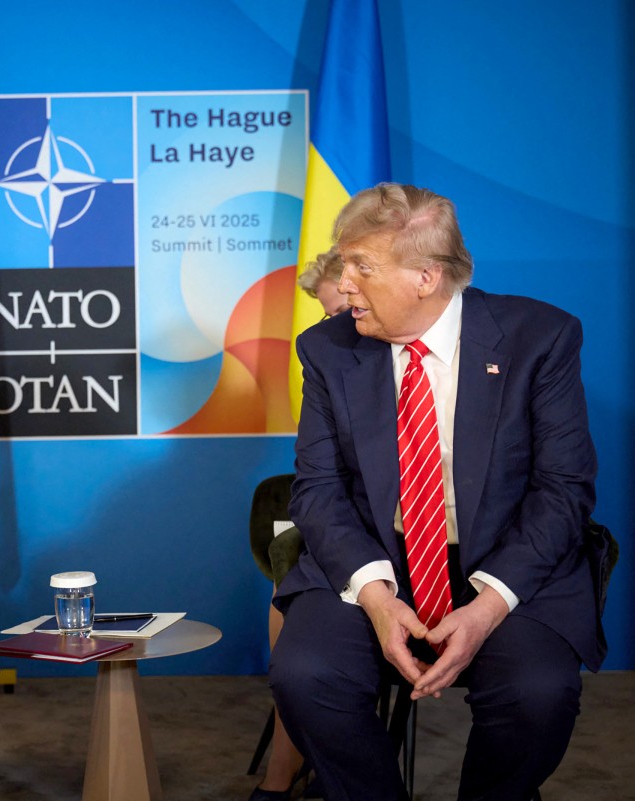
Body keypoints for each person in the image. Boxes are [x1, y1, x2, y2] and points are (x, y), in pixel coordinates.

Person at [270, 183, 605, 801]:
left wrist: (488, 606)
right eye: (343, 264)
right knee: (305, 675)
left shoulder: (540, 338)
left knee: (538, 692)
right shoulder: (327, 348)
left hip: (505, 563)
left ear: (426, 276)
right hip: (378, 560)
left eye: (361, 267)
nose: (343, 284)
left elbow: (563, 490)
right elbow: (317, 489)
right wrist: (374, 596)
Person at [249, 252, 350, 801]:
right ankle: (287, 767)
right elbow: (319, 477)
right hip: (341, 528)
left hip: (424, 546)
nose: (336, 328)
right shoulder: (328, 365)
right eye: (329, 315)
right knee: (289, 587)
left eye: (344, 312)